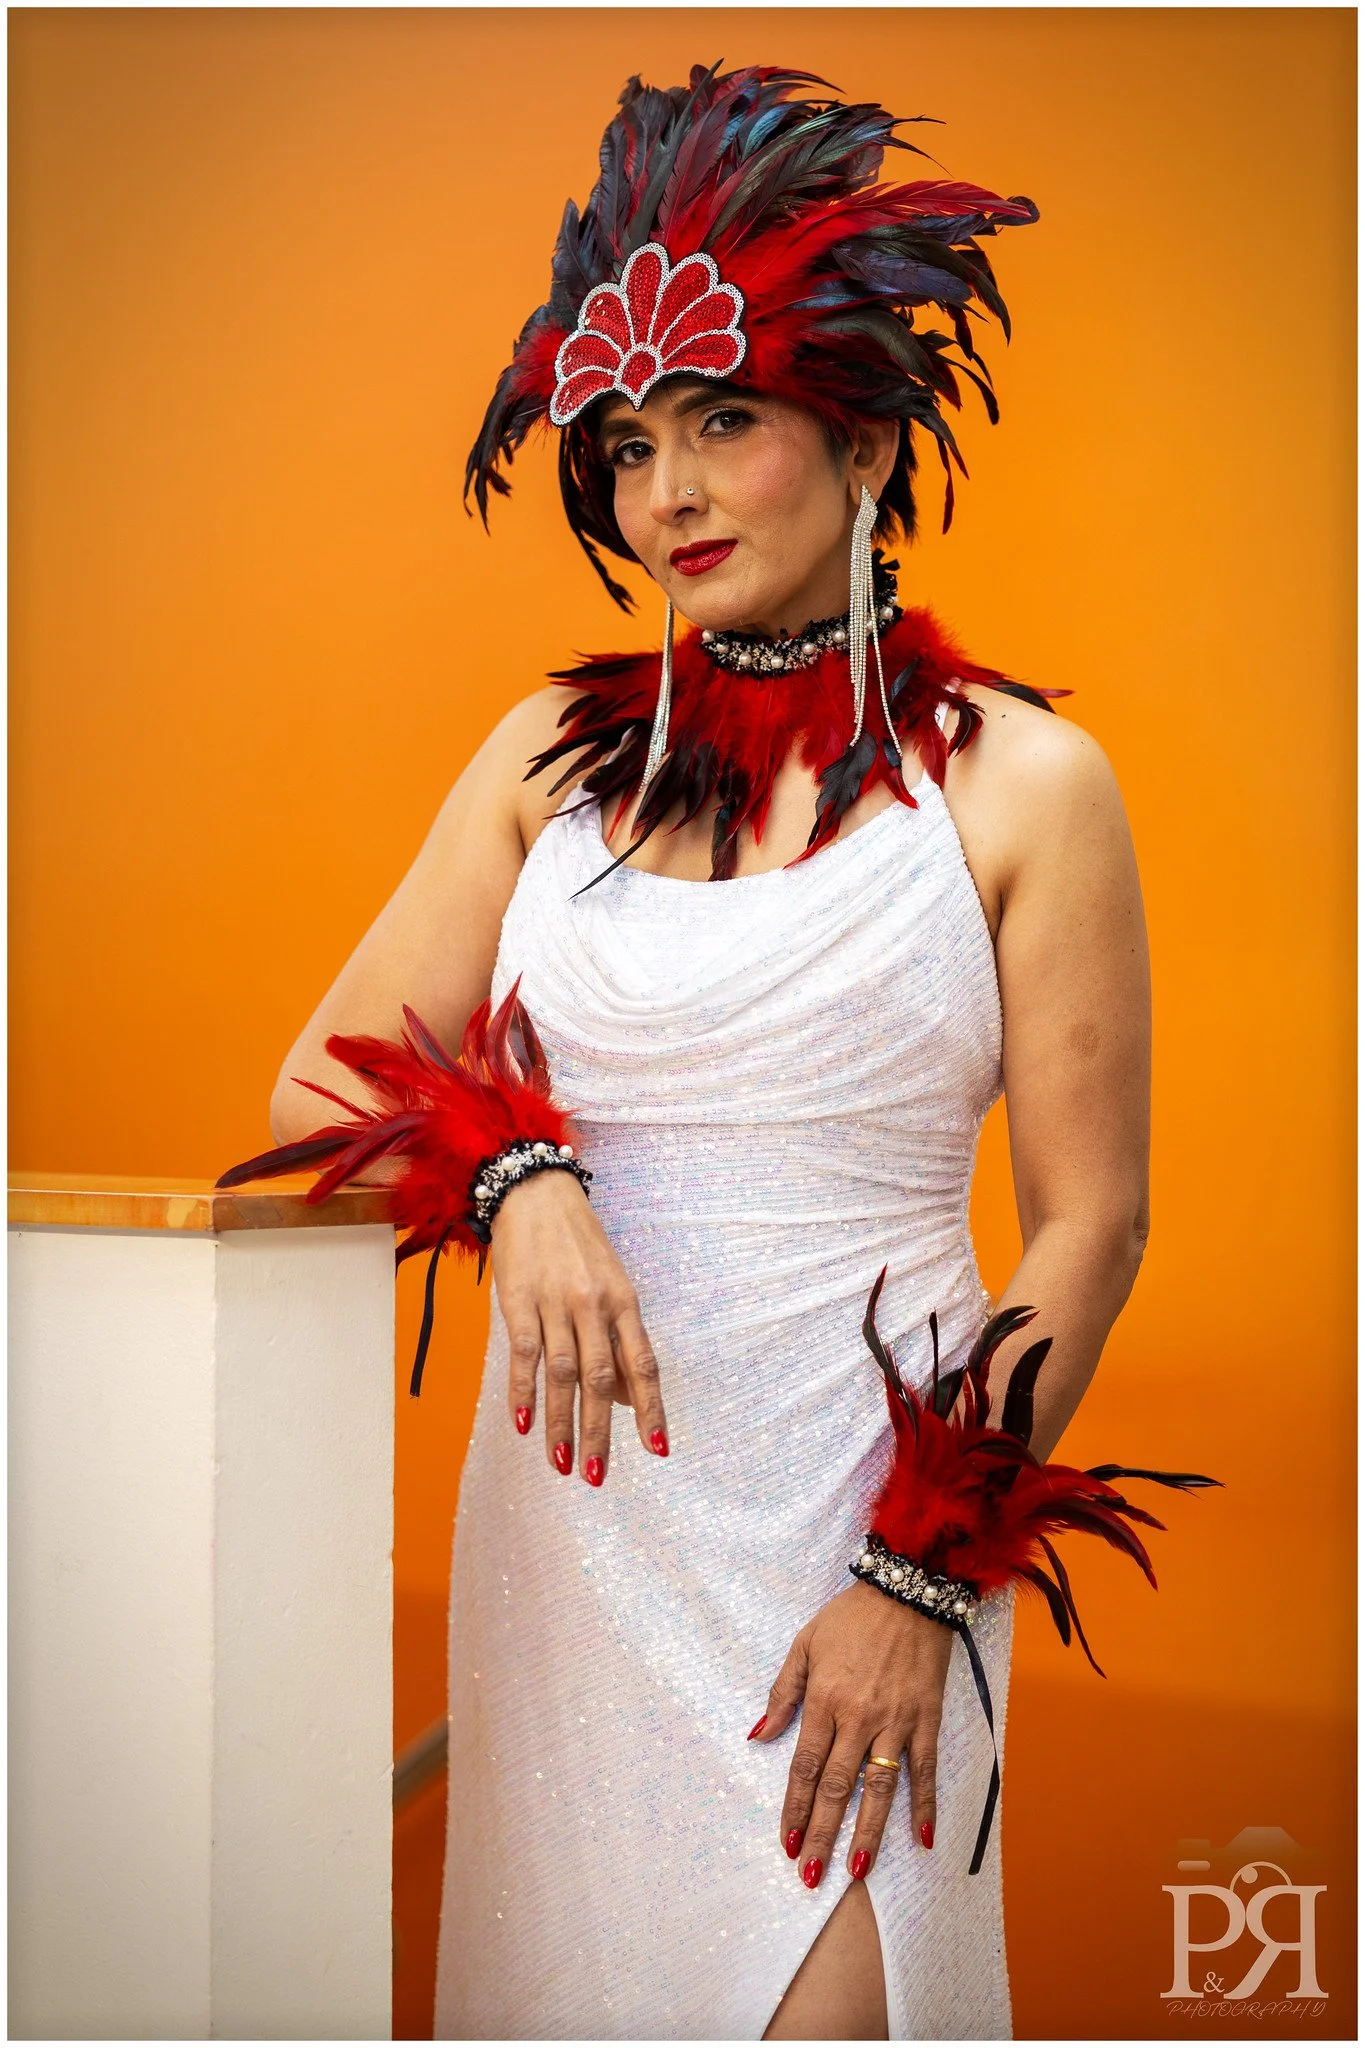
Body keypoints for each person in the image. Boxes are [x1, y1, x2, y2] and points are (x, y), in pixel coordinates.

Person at [231, 63, 1208, 2041]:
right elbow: (319, 1077)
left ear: (857, 438)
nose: (661, 490)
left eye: (724, 421)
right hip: (585, 1547)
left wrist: (921, 1581)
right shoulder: (543, 767)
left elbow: (1087, 1231)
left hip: (864, 1526)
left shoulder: (1027, 785)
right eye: (625, 444)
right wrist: (522, 1178)